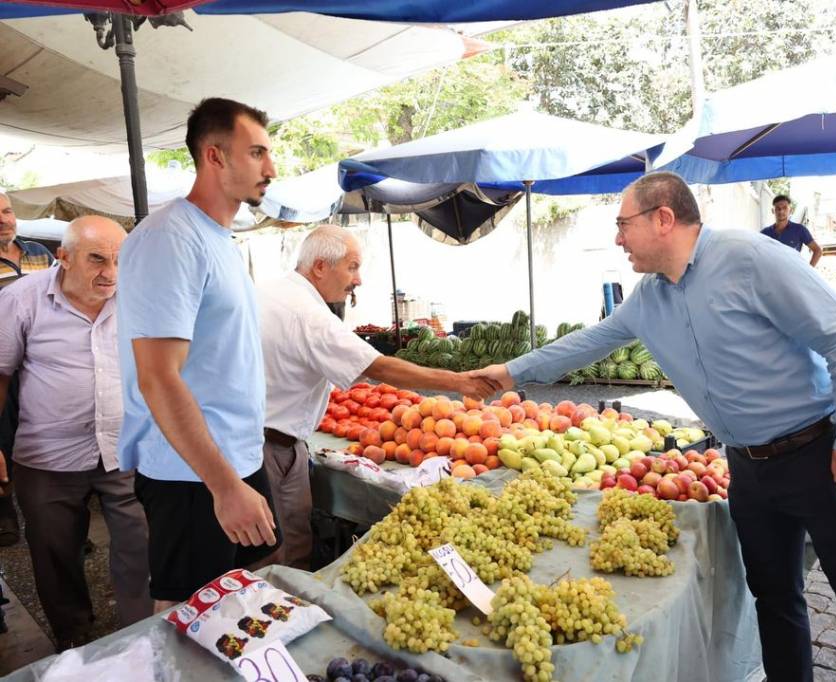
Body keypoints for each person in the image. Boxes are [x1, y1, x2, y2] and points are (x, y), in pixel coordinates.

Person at [471, 171, 836, 682]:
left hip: (819, 455)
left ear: (663, 218)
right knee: (774, 600)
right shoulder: (648, 298)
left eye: (623, 224)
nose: (618, 238)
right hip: (747, 470)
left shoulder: (750, 258)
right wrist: (511, 372)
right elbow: (591, 342)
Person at [117, 98, 280, 613]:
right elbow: (158, 378)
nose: (270, 169)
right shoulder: (170, 238)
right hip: (193, 477)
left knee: (236, 610)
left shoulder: (219, 239)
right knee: (187, 619)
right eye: (256, 153)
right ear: (214, 157)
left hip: (233, 460)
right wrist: (225, 486)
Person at [258, 225, 499, 568]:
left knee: (290, 537)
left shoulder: (272, 291)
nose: (358, 280)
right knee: (277, 550)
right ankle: (278, 611)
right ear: (320, 267)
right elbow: (378, 367)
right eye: (352, 267)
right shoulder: (307, 313)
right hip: (268, 446)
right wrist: (458, 382)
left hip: (277, 441)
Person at [0, 215, 151, 650]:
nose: (111, 273)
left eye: (120, 261)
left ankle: (141, 631)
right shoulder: (22, 299)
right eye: (97, 259)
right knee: (54, 552)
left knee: (140, 542)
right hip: (47, 456)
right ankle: (74, 634)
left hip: (125, 449)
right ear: (63, 258)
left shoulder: (136, 297)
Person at [0, 191, 55, 546]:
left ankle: (60, 520)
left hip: (40, 357)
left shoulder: (38, 251)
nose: (4, 219)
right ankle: (4, 513)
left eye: (6, 211)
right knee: (3, 436)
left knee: (44, 432)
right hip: (2, 360)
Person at [760, 193, 823, 267]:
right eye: (778, 208)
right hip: (772, 274)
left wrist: (808, 271)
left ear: (790, 210)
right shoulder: (765, 233)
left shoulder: (799, 230)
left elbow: (817, 250)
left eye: (785, 208)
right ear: (773, 211)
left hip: (793, 274)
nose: (781, 211)